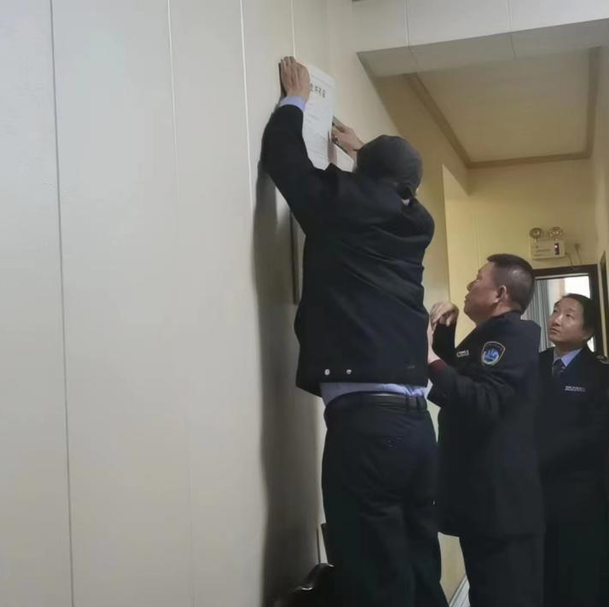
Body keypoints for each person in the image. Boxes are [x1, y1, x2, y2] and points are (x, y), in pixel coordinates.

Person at [263, 57, 447, 607]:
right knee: (419, 569)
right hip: (417, 427)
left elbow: (284, 160)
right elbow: (398, 191)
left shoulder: (342, 201)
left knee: (373, 577)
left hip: (368, 428)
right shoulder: (418, 223)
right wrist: (364, 151)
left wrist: (295, 101)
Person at [427, 254, 544, 607]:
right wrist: (444, 331)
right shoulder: (486, 336)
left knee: (507, 597)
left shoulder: (514, 336)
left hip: (502, 507)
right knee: (487, 595)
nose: (469, 285)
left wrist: (430, 360)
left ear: (500, 294)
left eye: (478, 278)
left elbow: (484, 400)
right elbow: (461, 385)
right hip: (481, 502)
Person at [536, 294, 609, 607]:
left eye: (569, 315)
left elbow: (597, 434)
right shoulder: (534, 365)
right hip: (535, 494)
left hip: (580, 494)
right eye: (555, 311)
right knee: (544, 577)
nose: (556, 319)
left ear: (588, 331)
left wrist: (536, 459)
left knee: (585, 578)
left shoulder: (605, 371)